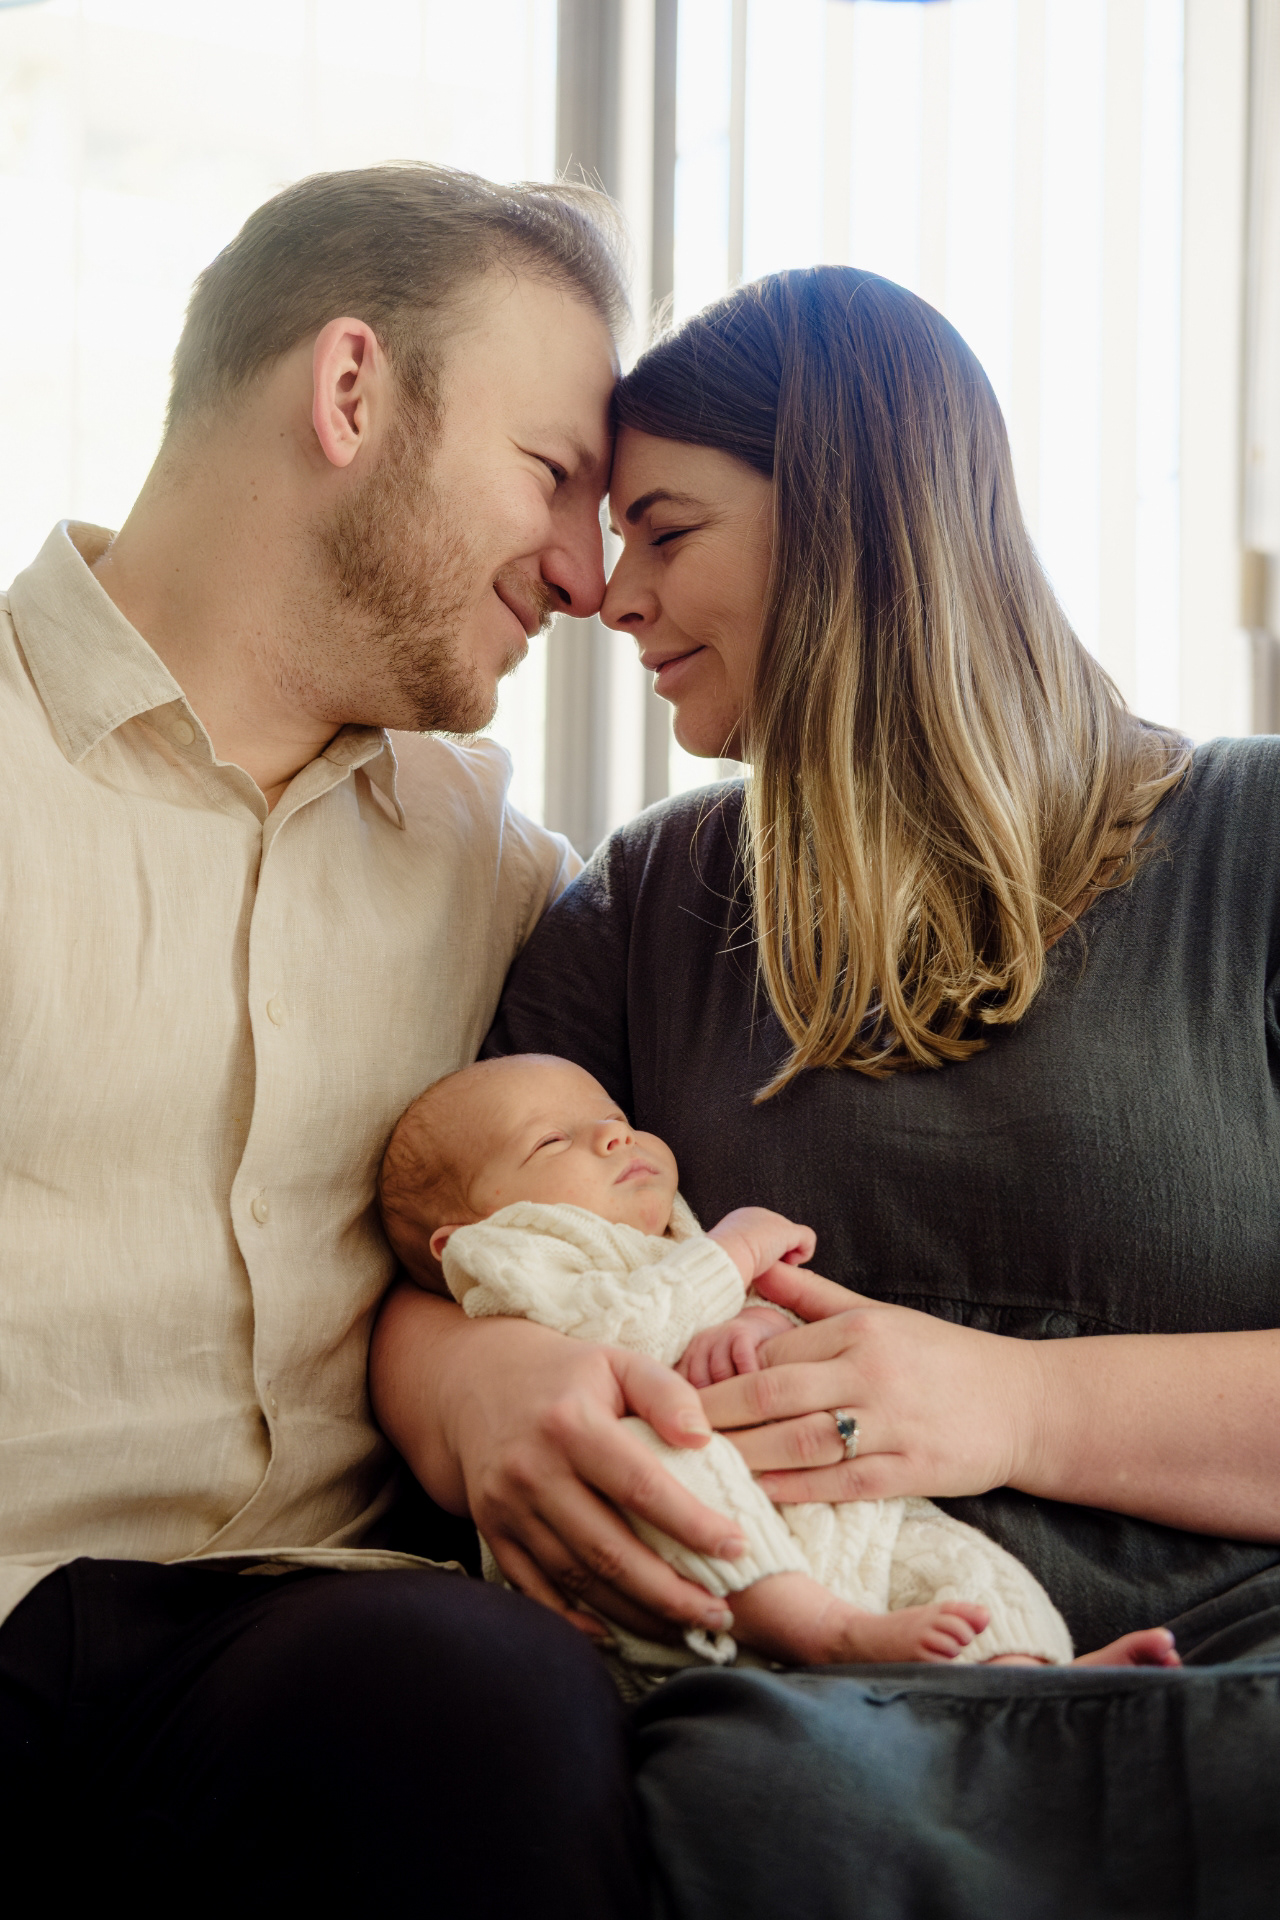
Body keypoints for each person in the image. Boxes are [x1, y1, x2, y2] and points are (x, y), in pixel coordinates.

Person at [372, 267, 1280, 1916]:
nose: (609, 594)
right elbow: (443, 1267)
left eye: (666, 529)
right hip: (800, 1708)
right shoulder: (640, 911)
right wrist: (479, 1397)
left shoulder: (1255, 848)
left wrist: (1020, 1406)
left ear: (859, 514)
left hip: (1237, 1676)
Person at [0, 161, 661, 1912]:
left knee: (490, 1703)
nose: (586, 576)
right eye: (552, 475)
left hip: (311, 1644)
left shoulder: (500, 871)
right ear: (352, 391)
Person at [378, 1051, 1194, 1675]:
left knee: (954, 1562)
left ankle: (1029, 1675)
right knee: (660, 1452)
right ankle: (821, 1630)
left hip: (817, 1512)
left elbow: (697, 1321)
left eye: (614, 1116)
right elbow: (618, 1333)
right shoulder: (511, 1257)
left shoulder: (668, 1233)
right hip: (659, 1541)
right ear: (462, 1237)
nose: (613, 1134)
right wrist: (731, 1255)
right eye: (552, 1140)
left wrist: (759, 1326)